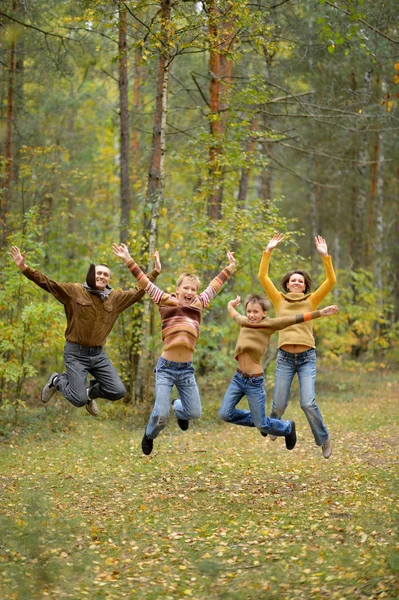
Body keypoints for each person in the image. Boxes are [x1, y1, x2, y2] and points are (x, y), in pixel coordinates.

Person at [112, 242, 236, 455]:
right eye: (185, 288)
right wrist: (128, 259)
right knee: (161, 415)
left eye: (193, 289)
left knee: (194, 413)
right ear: (178, 289)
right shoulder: (166, 301)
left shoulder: (198, 304)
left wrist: (229, 268)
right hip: (166, 369)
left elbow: (214, 287)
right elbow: (144, 283)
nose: (189, 292)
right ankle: (149, 434)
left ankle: (177, 406)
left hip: (186, 370)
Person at [10, 245, 161, 416]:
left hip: (98, 355)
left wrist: (155, 272)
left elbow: (139, 290)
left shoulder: (116, 298)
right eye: (99, 273)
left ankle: (90, 394)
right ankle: (57, 380)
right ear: (91, 274)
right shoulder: (75, 291)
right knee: (78, 400)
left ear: (109, 279)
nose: (102, 276)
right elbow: (48, 283)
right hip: (75, 353)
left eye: (106, 274)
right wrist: (25, 268)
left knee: (118, 391)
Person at [219, 294, 338, 451]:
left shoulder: (270, 324)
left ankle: (287, 427)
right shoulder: (244, 322)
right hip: (238, 378)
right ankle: (270, 423)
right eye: (249, 311)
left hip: (254, 382)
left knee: (262, 425)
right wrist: (230, 304)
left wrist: (319, 313)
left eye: (255, 312)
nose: (251, 315)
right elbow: (232, 312)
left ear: (264, 313)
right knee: (225, 414)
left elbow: (295, 318)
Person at [258, 234, 337, 459]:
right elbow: (262, 276)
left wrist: (325, 256)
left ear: (304, 287)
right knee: (279, 404)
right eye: (293, 280)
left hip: (306, 358)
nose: (296, 282)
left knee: (307, 403)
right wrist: (268, 250)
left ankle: (323, 439)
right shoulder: (278, 300)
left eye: (300, 281)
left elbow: (331, 282)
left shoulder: (311, 300)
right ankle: (274, 425)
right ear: (286, 284)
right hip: (284, 357)